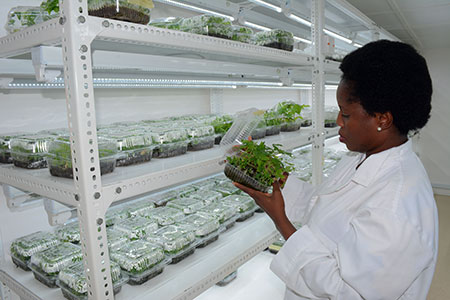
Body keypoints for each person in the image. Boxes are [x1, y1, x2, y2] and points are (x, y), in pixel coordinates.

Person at [234, 40, 438, 300]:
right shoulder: (362, 156)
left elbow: (347, 293)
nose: (339, 121)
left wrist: (281, 221)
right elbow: (323, 207)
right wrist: (278, 177)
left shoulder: (397, 207)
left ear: (382, 119)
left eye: (347, 114)